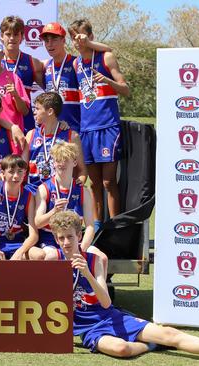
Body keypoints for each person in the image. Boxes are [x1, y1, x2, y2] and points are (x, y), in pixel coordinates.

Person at [48, 210, 199, 364]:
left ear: (79, 236)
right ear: (56, 239)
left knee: (170, 335)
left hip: (109, 316)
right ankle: (152, 344)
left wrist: (87, 274)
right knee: (122, 350)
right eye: (61, 238)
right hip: (89, 330)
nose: (66, 242)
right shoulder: (51, 263)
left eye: (70, 237)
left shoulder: (93, 261)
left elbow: (106, 301)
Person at [69, 19, 129, 229]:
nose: (77, 41)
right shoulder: (76, 64)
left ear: (91, 36)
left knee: (108, 182)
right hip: (87, 129)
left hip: (107, 127)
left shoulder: (106, 57)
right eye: (74, 37)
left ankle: (116, 227)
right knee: (93, 184)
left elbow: (125, 89)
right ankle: (96, 227)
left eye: (81, 36)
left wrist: (107, 81)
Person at [40, 22, 112, 133]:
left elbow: (108, 50)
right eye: (46, 40)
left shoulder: (76, 63)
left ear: (63, 40)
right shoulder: (44, 66)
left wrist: (89, 43)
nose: (50, 44)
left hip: (76, 129)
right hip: (53, 130)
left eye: (54, 39)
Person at [35, 141, 94, 260]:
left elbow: (90, 227)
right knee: (51, 257)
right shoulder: (44, 189)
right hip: (51, 240)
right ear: (53, 163)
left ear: (75, 162)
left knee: (101, 257)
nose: (61, 163)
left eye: (66, 160)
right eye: (58, 160)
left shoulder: (83, 191)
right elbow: (38, 222)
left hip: (74, 240)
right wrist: (54, 211)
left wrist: (82, 248)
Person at [0, 155, 43, 260]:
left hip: (16, 243)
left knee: (39, 255)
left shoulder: (28, 195)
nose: (16, 176)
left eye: (20, 171)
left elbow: (34, 235)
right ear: (3, 173)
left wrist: (19, 253)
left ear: (25, 173)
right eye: (11, 172)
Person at [23, 92, 86, 192]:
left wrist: (78, 184)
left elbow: (82, 170)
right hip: (33, 190)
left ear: (50, 111)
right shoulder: (31, 134)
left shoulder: (72, 136)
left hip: (59, 191)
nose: (34, 112)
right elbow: (22, 166)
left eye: (38, 109)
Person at [0, 15, 45, 133]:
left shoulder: (33, 63)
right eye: (8, 34)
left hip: (24, 120)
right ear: (1, 36)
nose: (12, 38)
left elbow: (50, 91)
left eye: (16, 34)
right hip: (1, 120)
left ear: (22, 37)